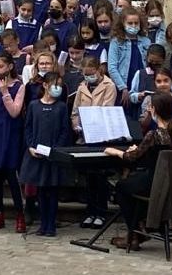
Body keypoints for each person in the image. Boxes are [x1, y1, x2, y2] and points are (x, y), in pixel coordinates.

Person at [105, 92, 172, 250]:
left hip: (155, 183)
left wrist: (115, 152)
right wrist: (140, 149)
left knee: (122, 187)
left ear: (153, 110)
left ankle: (134, 233)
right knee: (134, 184)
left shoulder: (154, 134)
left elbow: (131, 158)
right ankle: (141, 228)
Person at [20, 71, 70, 238]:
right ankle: (42, 223)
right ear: (46, 85)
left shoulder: (62, 107)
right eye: (55, 85)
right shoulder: (34, 105)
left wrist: (56, 149)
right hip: (37, 153)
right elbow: (27, 128)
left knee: (53, 190)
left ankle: (51, 224)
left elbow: (65, 130)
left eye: (60, 85)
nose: (58, 88)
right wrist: (31, 146)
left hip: (53, 155)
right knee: (40, 189)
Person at [70, 56, 117, 228]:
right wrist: (76, 125)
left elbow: (106, 110)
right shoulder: (82, 87)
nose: (88, 77)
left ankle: (101, 212)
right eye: (86, 74)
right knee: (89, 176)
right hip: (84, 137)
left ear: (99, 70)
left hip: (101, 135)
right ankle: (90, 211)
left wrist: (91, 122)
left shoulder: (109, 86)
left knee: (100, 175)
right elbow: (75, 111)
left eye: (91, 73)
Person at [0, 53, 26, 232]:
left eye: (0, 66)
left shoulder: (19, 86)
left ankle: (20, 214)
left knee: (11, 174)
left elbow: (15, 112)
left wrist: (4, 93)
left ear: (10, 66)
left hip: (11, 134)